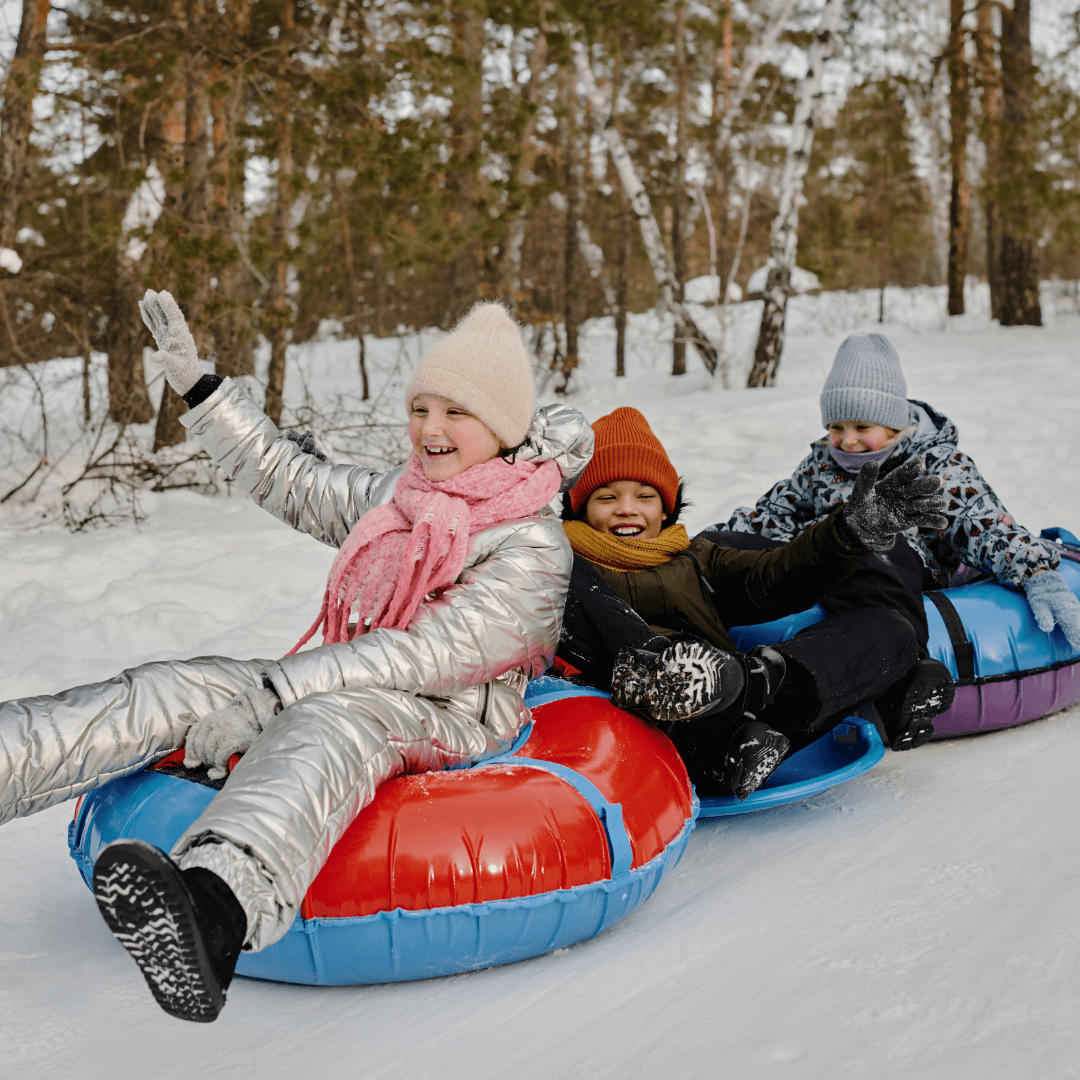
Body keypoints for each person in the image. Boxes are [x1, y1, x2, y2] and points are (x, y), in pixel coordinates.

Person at [0, 293, 592, 1023]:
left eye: (455, 413)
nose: (431, 429)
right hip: (344, 678)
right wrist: (201, 389)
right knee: (171, 688)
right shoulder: (400, 499)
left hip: (452, 714)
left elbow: (431, 655)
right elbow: (291, 478)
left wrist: (279, 695)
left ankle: (213, 911)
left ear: (500, 428)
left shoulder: (532, 543)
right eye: (421, 409)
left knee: (327, 728)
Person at [556, 406, 948, 803]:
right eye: (607, 497)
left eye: (645, 496)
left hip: (747, 735)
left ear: (665, 507)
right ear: (580, 508)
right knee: (564, 575)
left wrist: (848, 533)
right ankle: (669, 679)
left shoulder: (698, 559)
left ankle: (751, 690)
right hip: (645, 732)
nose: (627, 508)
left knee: (890, 630)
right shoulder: (565, 570)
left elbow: (777, 574)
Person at [706, 331, 1080, 728]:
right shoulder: (819, 465)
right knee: (732, 543)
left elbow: (983, 522)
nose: (846, 441)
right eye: (836, 426)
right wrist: (703, 548)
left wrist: (1036, 569)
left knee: (871, 541)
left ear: (894, 423)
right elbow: (772, 517)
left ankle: (908, 672)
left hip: (899, 570)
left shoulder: (936, 465)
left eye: (861, 426)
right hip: (828, 569)